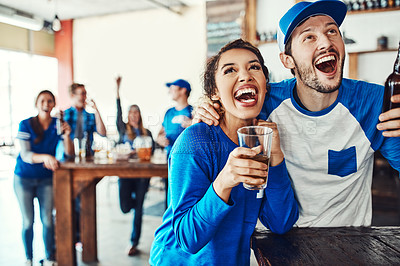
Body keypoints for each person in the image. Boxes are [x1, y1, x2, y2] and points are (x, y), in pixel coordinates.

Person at [193, 0, 400, 227]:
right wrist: (208, 109)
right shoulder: (266, 102)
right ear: (287, 60)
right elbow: (228, 108)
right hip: (275, 244)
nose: (326, 42)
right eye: (309, 37)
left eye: (332, 31)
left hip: (348, 244)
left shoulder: (373, 103)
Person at [149, 39, 299, 266]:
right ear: (215, 93)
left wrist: (276, 156)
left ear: (265, 85)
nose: (246, 75)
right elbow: (188, 239)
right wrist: (225, 181)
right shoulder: (195, 141)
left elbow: (281, 222)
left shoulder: (260, 143)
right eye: (230, 70)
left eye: (254, 67)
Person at [14, 90, 73, 266]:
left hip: (46, 179)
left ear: (54, 104)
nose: (46, 104)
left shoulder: (58, 124)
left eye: (50, 101)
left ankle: (49, 258)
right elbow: (25, 155)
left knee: (47, 220)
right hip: (23, 178)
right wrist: (45, 157)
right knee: (27, 221)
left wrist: (68, 135)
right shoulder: (25, 124)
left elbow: (69, 154)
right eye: (42, 101)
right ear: (36, 104)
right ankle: (28, 258)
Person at [115, 76, 155, 256]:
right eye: (130, 113)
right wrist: (117, 90)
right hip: (125, 174)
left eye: (136, 113)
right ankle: (133, 202)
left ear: (139, 116)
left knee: (138, 208)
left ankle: (134, 242)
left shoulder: (147, 133)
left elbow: (153, 150)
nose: (133, 115)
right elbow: (118, 112)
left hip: (142, 175)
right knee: (125, 207)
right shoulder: (123, 130)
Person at [63, 83, 107, 245]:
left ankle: (82, 238)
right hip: (69, 162)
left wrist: (96, 110)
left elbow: (102, 132)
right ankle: (74, 238)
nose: (84, 97)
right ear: (72, 95)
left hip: (87, 162)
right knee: (71, 202)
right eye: (81, 94)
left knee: (84, 201)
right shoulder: (65, 115)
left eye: (85, 94)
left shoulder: (89, 116)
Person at [156, 78, 193, 208]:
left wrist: (192, 125)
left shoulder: (193, 112)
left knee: (184, 198)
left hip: (186, 162)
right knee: (169, 197)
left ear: (183, 90)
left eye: (173, 88)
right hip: (169, 160)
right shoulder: (168, 112)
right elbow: (160, 134)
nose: (169, 92)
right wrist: (160, 139)